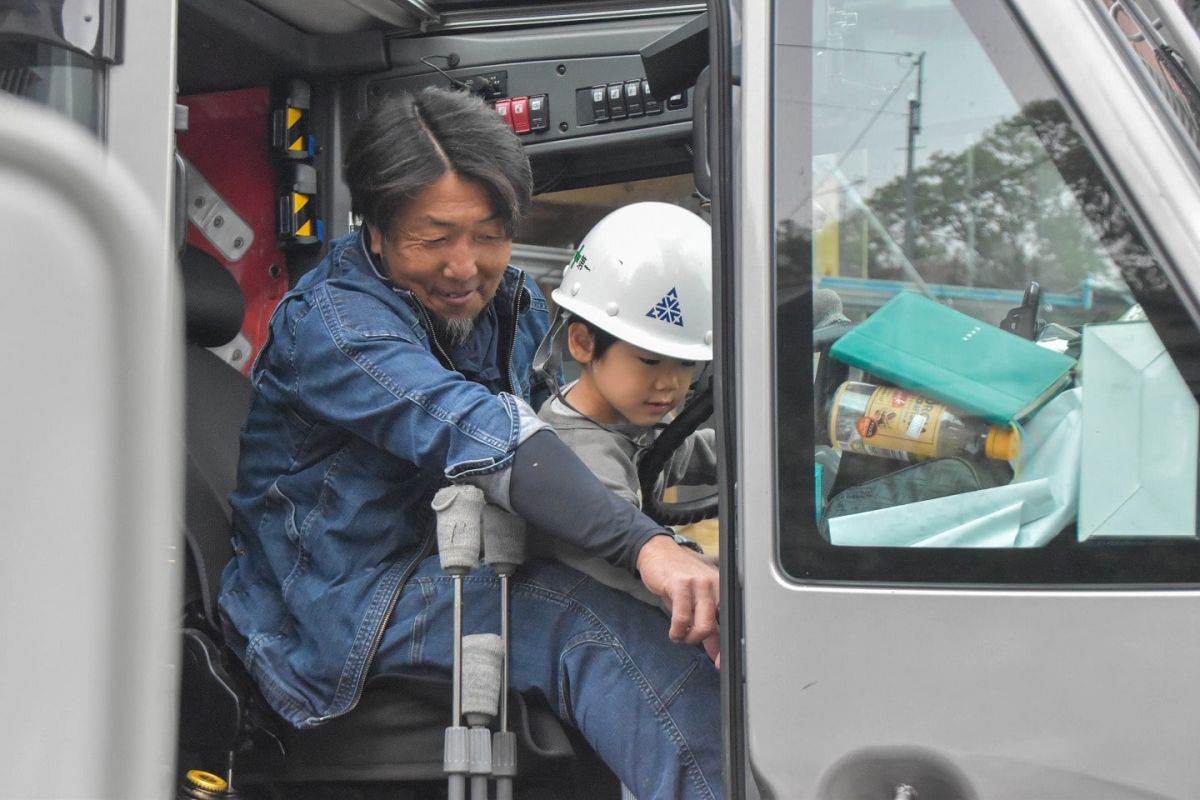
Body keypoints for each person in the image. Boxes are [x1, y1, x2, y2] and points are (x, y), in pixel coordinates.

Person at [217, 87, 722, 799]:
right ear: (379, 230)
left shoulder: (507, 298)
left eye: (488, 235)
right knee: (595, 624)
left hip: (458, 558)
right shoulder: (338, 327)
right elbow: (482, 434)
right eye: (434, 238)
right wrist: (649, 549)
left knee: (656, 612)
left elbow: (551, 432)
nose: (465, 267)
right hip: (343, 604)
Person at [533, 203, 719, 607]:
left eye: (687, 363)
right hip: (594, 614)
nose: (670, 383)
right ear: (581, 343)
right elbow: (626, 567)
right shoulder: (579, 453)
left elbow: (689, 451)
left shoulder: (626, 424)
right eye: (649, 360)